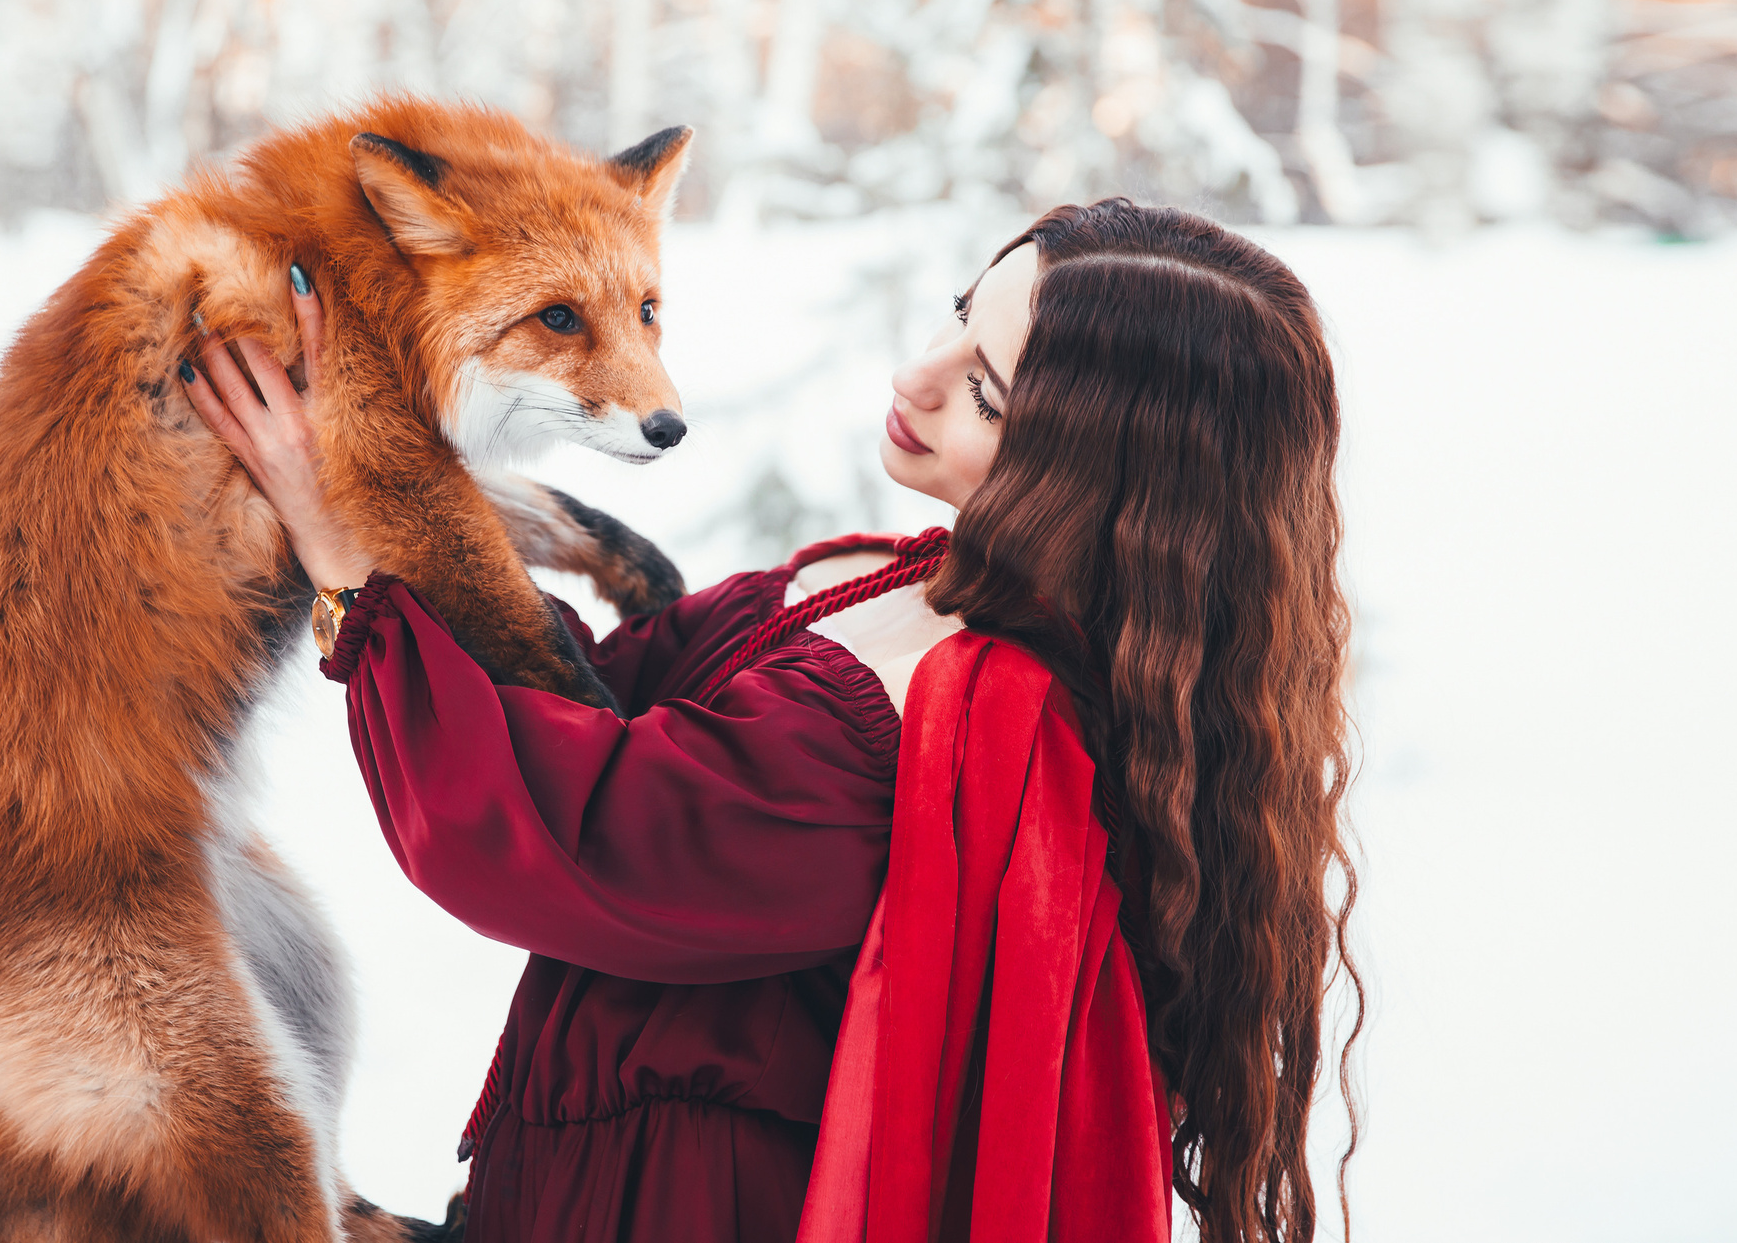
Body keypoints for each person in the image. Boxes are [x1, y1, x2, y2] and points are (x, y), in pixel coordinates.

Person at [182, 199, 1359, 1243]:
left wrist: (350, 556)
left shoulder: (927, 729)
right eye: (959, 312)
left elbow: (563, 836)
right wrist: (394, 475)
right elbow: (587, 691)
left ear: (1103, 477)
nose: (917, 374)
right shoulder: (887, 578)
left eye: (985, 390)